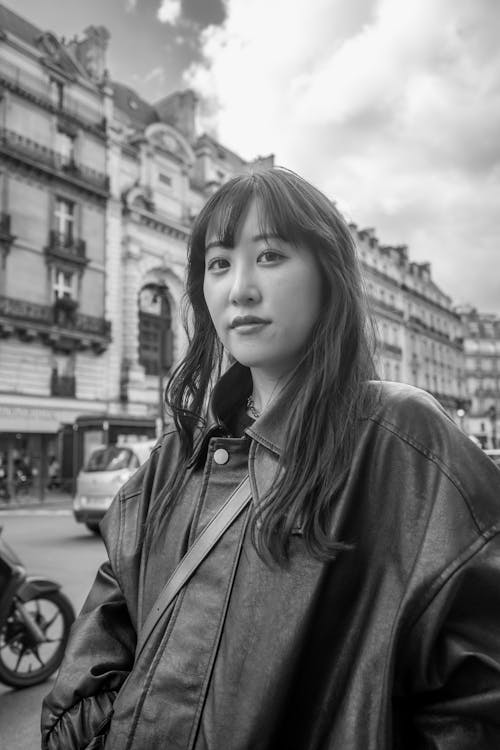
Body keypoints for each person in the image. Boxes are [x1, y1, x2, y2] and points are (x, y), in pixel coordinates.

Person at [41, 167, 500, 749]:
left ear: (329, 276)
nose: (240, 289)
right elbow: (84, 680)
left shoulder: (404, 444)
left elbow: (477, 705)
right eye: (219, 264)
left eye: (272, 256)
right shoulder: (171, 462)